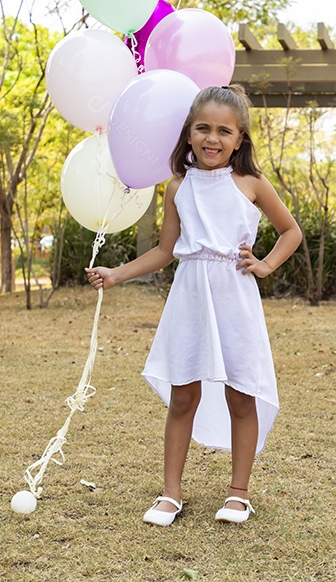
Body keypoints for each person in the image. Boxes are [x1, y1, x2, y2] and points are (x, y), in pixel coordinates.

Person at [86, 84, 302, 526]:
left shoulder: (251, 183)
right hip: (189, 296)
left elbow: (291, 231)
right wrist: (116, 273)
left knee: (240, 394)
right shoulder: (178, 186)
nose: (212, 138)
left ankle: (238, 494)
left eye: (224, 131)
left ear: (239, 139)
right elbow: (165, 251)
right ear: (188, 133)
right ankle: (171, 494)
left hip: (234, 297)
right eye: (203, 128)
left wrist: (265, 265)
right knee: (183, 396)